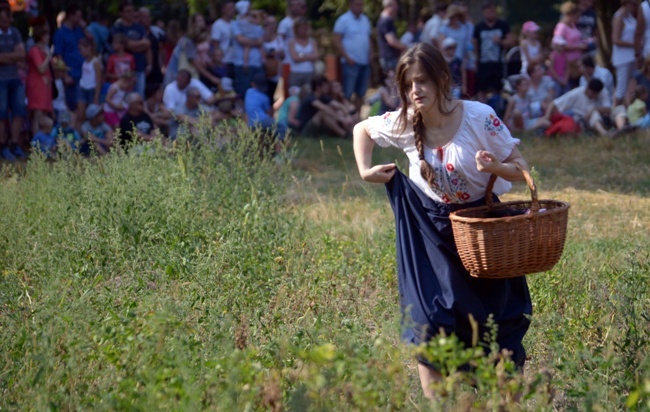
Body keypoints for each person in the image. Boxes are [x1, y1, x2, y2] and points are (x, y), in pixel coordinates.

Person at [352, 42, 532, 400]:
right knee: (429, 319)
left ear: (442, 79)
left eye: (422, 81)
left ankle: (501, 402)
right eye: (407, 85)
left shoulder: (479, 116)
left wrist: (494, 167)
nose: (415, 91)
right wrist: (365, 171)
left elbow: (522, 168)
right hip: (430, 231)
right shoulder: (404, 122)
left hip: (482, 231)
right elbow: (362, 129)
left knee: (494, 324)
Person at [542, 78, 629, 138]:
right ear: (587, 88)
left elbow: (608, 108)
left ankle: (621, 129)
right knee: (594, 114)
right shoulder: (576, 93)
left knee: (619, 108)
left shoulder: (603, 91)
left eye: (596, 94)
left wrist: (594, 109)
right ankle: (605, 134)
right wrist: (546, 118)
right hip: (584, 121)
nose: (594, 96)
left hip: (604, 117)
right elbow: (554, 103)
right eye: (592, 93)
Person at [332, 0, 372, 112]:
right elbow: (336, 40)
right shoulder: (343, 20)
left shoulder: (365, 20)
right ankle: (346, 117)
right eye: (357, 4)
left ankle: (357, 118)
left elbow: (368, 39)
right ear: (350, 5)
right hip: (350, 62)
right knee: (347, 93)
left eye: (361, 4)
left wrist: (371, 54)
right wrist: (347, 57)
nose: (359, 7)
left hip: (364, 62)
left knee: (361, 93)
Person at [472, 0, 514, 103]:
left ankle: (496, 109)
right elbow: (474, 45)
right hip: (483, 63)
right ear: (483, 13)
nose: (490, 14)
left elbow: (511, 42)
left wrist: (500, 41)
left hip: (497, 63)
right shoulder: (478, 27)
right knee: (482, 89)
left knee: (497, 88)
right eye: (488, 12)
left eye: (492, 11)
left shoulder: (503, 25)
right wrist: (475, 61)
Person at [0, 6, 27, 160]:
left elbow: (22, 54)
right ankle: (2, 145)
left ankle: (14, 144)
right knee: (2, 113)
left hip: (14, 78)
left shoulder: (15, 32)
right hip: (1, 80)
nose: (6, 23)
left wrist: (4, 56)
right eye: (3, 21)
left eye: (8, 20)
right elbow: (16, 55)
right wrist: (13, 56)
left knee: (19, 111)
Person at [53, 5, 88, 117]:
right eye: (78, 17)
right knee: (73, 105)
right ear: (71, 16)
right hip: (71, 74)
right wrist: (65, 75)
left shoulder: (79, 31)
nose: (80, 20)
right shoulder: (60, 33)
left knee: (84, 105)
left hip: (84, 73)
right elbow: (58, 55)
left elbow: (91, 44)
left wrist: (84, 28)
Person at [112, 2, 151, 97]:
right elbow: (124, 45)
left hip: (140, 67)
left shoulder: (139, 28)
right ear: (121, 13)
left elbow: (147, 46)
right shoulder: (117, 28)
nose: (131, 13)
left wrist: (149, 65)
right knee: (123, 97)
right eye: (127, 11)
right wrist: (141, 44)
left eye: (132, 11)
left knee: (139, 96)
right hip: (123, 70)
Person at [553, 1, 588, 90]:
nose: (578, 18)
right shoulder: (561, 27)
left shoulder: (573, 25)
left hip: (578, 61)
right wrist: (578, 47)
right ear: (570, 15)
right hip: (568, 65)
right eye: (577, 16)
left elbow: (576, 40)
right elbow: (559, 45)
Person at [26, 22, 53, 137]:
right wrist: (48, 56)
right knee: (38, 115)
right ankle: (36, 145)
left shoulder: (43, 49)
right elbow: (41, 68)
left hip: (45, 85)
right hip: (37, 85)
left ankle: (43, 143)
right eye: (46, 35)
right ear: (41, 36)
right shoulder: (35, 50)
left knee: (44, 114)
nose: (48, 37)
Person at [611, 0, 637, 106]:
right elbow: (615, 40)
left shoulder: (630, 16)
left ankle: (630, 110)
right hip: (622, 58)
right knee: (621, 87)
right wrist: (633, 44)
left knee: (631, 86)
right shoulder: (619, 17)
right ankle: (615, 111)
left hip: (632, 57)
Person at [77, 37, 103, 125]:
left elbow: (98, 80)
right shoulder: (85, 61)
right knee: (80, 115)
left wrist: (96, 96)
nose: (80, 52)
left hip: (92, 89)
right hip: (83, 88)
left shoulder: (96, 62)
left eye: (82, 49)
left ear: (89, 48)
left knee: (90, 115)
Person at [286, 17, 318, 89]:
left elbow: (316, 56)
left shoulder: (312, 41)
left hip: (309, 72)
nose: (304, 31)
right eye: (301, 28)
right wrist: (309, 56)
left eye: (305, 29)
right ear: (296, 29)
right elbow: (295, 58)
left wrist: (301, 55)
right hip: (296, 73)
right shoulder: (292, 42)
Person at [376, 0, 407, 73]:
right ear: (388, 6)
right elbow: (392, 41)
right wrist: (406, 48)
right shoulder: (386, 21)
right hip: (389, 57)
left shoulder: (385, 20)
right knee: (393, 82)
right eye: (395, 5)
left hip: (389, 57)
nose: (397, 8)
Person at [211, 1, 235, 78]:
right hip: (224, 61)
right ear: (223, 10)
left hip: (235, 60)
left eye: (233, 8)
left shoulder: (235, 23)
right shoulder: (218, 25)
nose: (233, 10)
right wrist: (218, 61)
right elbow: (215, 44)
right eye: (230, 8)